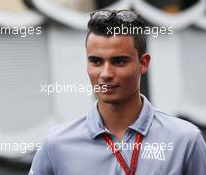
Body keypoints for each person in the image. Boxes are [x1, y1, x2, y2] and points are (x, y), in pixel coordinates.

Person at [29, 10, 206, 175]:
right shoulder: (56, 144)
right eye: (96, 61)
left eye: (119, 61)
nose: (105, 74)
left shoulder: (185, 140)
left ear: (143, 63)